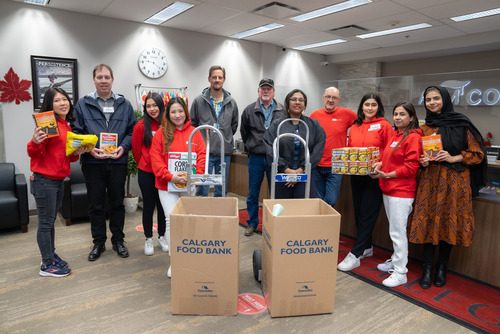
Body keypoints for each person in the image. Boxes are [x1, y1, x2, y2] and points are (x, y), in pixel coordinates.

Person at [408, 86, 486, 289]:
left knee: (448, 223)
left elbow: (477, 153)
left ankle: (441, 268)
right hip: (430, 181)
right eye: (428, 99)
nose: (432, 102)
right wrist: (423, 161)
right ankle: (426, 269)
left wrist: (454, 157)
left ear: (444, 99)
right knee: (428, 223)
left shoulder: (461, 123)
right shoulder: (425, 128)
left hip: (455, 181)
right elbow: (416, 156)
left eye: (436, 98)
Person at [73, 64, 136, 261]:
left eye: (106, 77)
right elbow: (76, 133)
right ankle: (98, 242)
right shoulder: (83, 104)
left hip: (117, 161)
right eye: (99, 77)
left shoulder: (124, 105)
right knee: (96, 205)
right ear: (94, 80)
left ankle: (118, 240)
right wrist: (91, 149)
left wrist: (123, 148)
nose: (103, 80)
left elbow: (131, 132)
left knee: (117, 204)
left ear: (112, 79)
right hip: (93, 163)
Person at [28, 88, 90, 277]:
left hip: (58, 180)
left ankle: (50, 255)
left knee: (50, 222)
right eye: (57, 100)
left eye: (65, 99)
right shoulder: (48, 123)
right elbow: (33, 152)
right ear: (50, 104)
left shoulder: (65, 125)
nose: (63, 103)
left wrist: (78, 152)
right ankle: (46, 265)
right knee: (46, 223)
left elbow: (66, 158)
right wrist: (34, 141)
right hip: (44, 181)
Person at [150, 97, 206, 278]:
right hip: (167, 185)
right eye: (173, 112)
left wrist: (195, 175)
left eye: (180, 111)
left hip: (189, 185)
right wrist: (171, 176)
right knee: (171, 220)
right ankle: (175, 260)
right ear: (168, 114)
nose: (177, 115)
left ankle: (188, 256)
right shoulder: (161, 134)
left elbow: (202, 155)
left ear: (186, 112)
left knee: (188, 221)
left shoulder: (195, 133)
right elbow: (155, 159)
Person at [337, 93, 393, 272]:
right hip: (356, 175)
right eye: (367, 104)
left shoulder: (384, 125)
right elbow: (350, 147)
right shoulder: (355, 125)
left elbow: (391, 149)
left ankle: (356, 253)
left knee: (368, 213)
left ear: (378, 107)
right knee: (359, 211)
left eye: (373, 105)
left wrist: (381, 163)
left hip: (374, 177)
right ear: (361, 107)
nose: (370, 108)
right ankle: (367, 246)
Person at [371, 102, 422, 287]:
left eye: (402, 114)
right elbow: (388, 159)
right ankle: (395, 259)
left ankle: (401, 272)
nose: (398, 117)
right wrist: (380, 166)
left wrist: (388, 174)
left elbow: (411, 167)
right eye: (396, 114)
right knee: (394, 229)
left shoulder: (413, 138)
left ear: (411, 117)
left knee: (397, 232)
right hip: (388, 188)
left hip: (401, 191)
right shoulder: (396, 134)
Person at [240, 78, 286, 236]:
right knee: (253, 192)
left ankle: (275, 223)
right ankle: (252, 223)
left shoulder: (282, 110)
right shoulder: (248, 110)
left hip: (275, 158)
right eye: (263, 89)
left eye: (269, 89)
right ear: (258, 91)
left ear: (273, 91)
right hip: (256, 157)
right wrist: (252, 147)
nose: (266, 91)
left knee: (276, 192)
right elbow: (244, 133)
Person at [263, 89, 325, 199]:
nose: (297, 102)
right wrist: (287, 170)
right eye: (294, 99)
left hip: (305, 175)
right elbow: (269, 146)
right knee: (281, 209)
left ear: (305, 104)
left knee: (303, 209)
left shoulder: (313, 125)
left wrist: (300, 171)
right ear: (288, 103)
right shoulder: (278, 124)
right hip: (281, 175)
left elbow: (318, 149)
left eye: (301, 100)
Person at [190, 65, 238, 197]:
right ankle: (201, 216)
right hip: (203, 153)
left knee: (221, 189)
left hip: (224, 152)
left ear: (224, 79)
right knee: (202, 189)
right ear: (209, 79)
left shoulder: (231, 102)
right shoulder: (199, 101)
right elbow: (192, 124)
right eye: (214, 77)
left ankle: (219, 215)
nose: (217, 80)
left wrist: (225, 137)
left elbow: (233, 126)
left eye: (220, 77)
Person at [132, 92, 167, 256]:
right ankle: (148, 238)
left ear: (161, 106)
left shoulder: (167, 124)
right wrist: (145, 164)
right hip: (146, 172)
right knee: (148, 206)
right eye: (148, 106)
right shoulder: (140, 126)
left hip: (163, 173)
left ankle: (161, 236)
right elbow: (136, 150)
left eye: (155, 105)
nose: (152, 109)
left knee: (162, 206)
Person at [310, 86, 356, 206]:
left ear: (338, 99)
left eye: (334, 97)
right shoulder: (314, 115)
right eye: (328, 97)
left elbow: (362, 126)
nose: (330, 100)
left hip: (337, 165)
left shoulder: (347, 114)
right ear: (323, 98)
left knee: (331, 200)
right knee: (317, 201)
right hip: (317, 164)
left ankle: (327, 223)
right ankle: (321, 225)